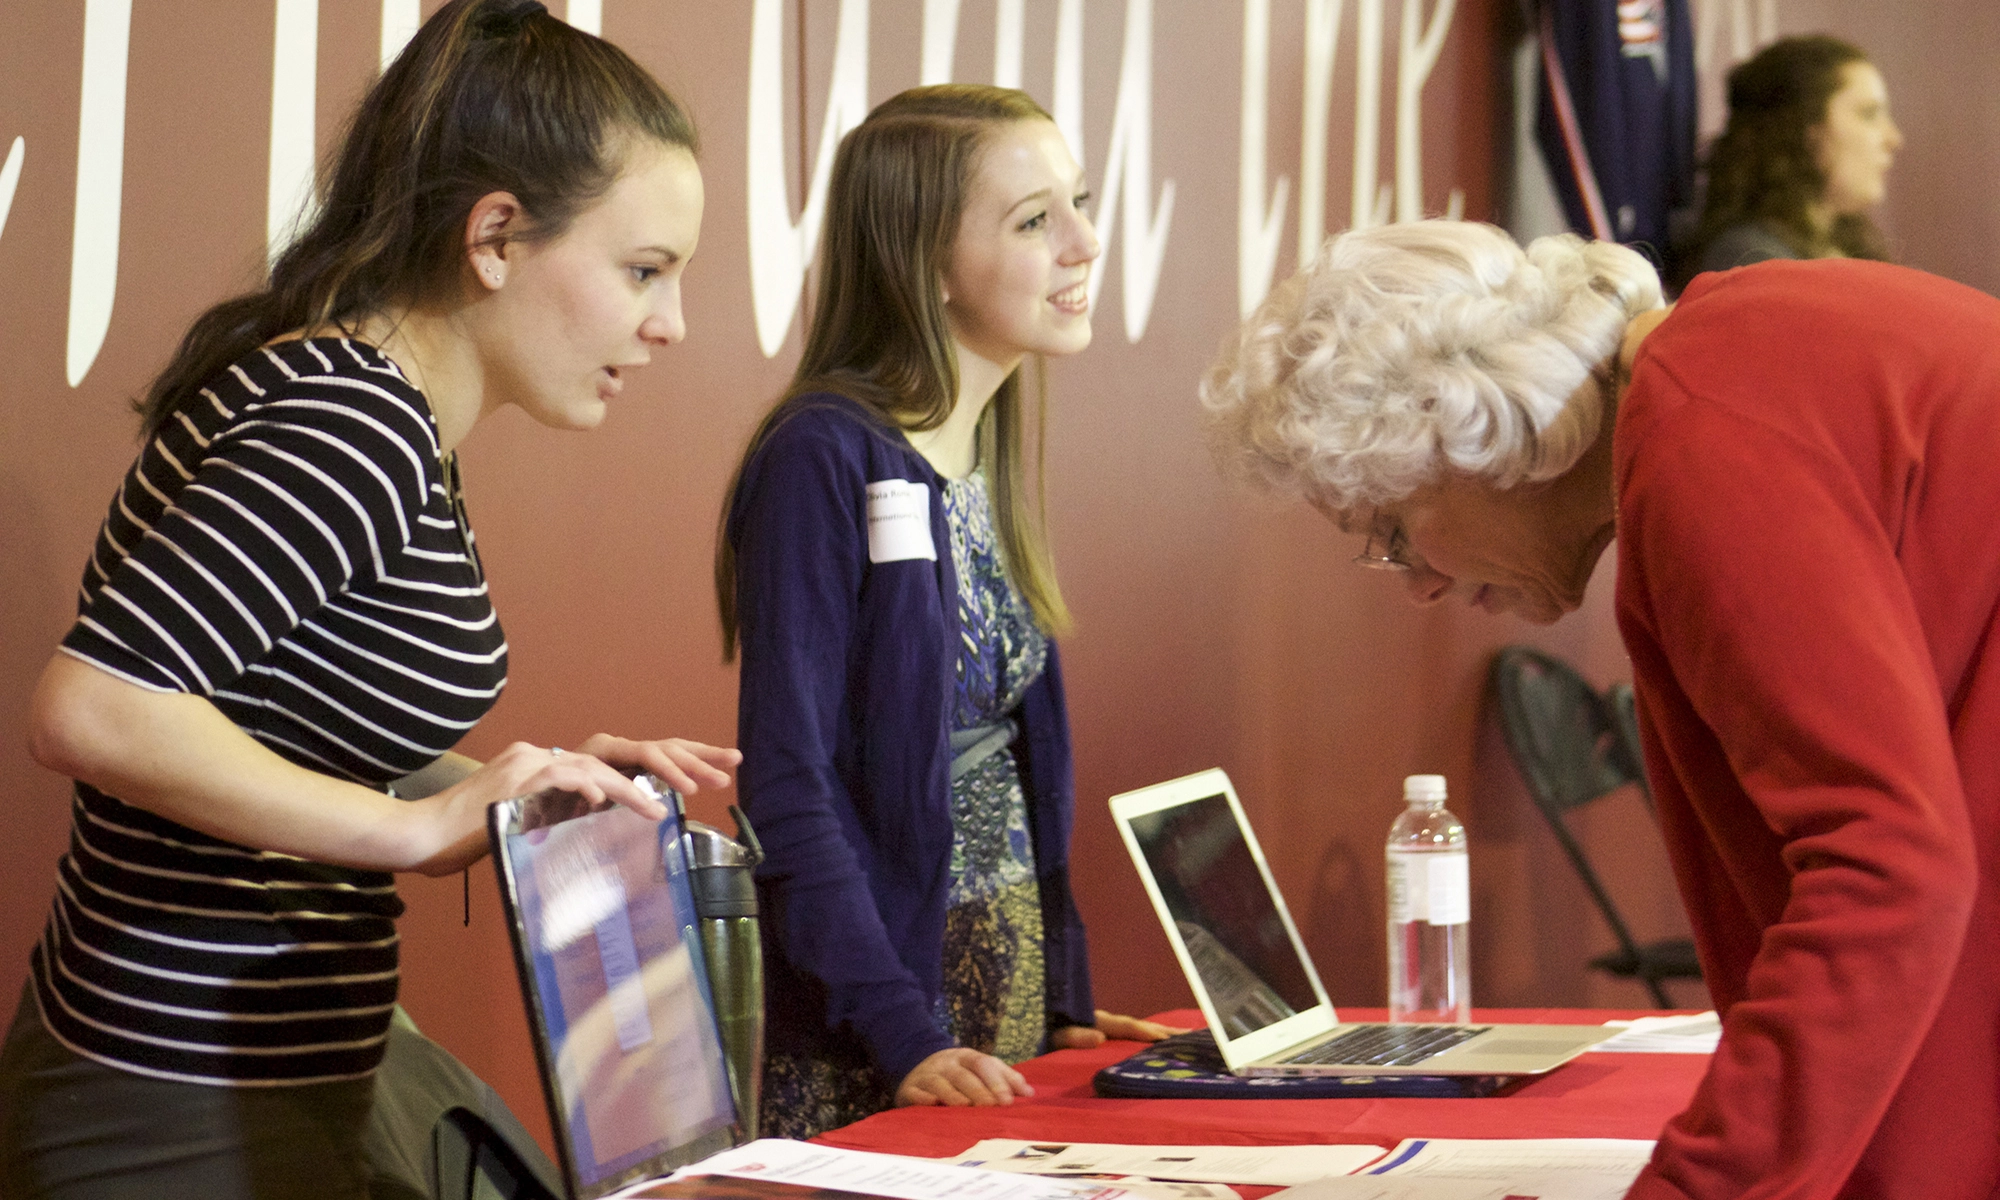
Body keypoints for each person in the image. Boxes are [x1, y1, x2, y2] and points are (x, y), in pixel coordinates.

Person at [0, 2, 738, 1196]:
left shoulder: (377, 412)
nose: (668, 323)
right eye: (642, 270)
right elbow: (93, 709)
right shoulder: (351, 423)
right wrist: (412, 832)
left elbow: (279, 732)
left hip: (258, 1080)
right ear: (495, 235)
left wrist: (515, 795)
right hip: (172, 1106)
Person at [1202, 220, 2000, 1198]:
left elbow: (1887, 873)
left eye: (1389, 528)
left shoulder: (1705, 436)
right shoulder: (1725, 361)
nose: (1416, 585)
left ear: (1458, 433)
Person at [715, 84, 1179, 1141]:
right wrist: (900, 1029)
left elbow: (1020, 763)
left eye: (1079, 202)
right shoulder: (821, 457)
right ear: (920, 260)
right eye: (1033, 220)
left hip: (992, 1014)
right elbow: (788, 783)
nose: (1085, 241)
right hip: (883, 1035)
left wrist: (1059, 987)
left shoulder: (985, 445)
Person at [1681, 35, 1901, 279]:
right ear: (1804, 130)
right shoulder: (1750, 257)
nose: (1893, 139)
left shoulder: (1849, 246)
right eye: (1868, 114)